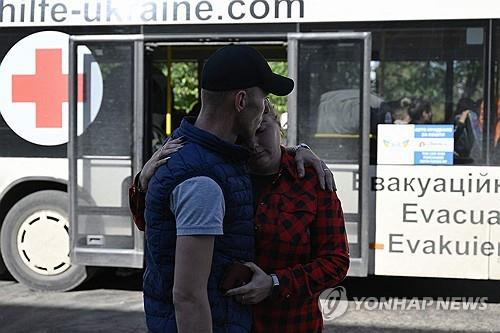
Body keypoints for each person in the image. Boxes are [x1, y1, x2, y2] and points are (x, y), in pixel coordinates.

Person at [133, 100, 349, 332]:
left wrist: (275, 283)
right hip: (226, 322)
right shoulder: (221, 174)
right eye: (245, 137)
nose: (254, 145)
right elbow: (156, 228)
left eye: (262, 130)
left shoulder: (310, 180)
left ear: (279, 126)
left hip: (289, 324)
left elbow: (336, 260)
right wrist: (143, 183)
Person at [140, 44, 294, 333]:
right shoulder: (203, 182)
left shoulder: (201, 155)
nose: (263, 111)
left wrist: (299, 153)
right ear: (241, 100)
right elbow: (188, 297)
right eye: (263, 99)